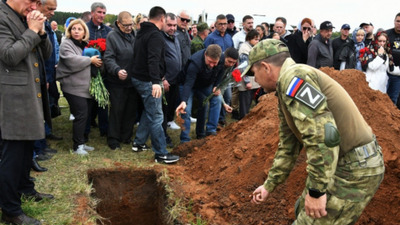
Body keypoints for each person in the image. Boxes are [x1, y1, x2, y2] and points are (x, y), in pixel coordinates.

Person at [245, 39, 384, 224]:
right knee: (301, 208)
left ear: (265, 67)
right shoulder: (287, 85)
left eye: (254, 73)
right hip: (345, 163)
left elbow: (322, 135)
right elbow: (288, 145)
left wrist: (317, 191)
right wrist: (269, 185)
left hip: (355, 170)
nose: (255, 80)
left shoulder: (294, 78)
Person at [0, 0, 55, 224]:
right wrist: (32, 31)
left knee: (25, 150)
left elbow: (47, 54)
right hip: (12, 97)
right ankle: (10, 210)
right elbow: (9, 56)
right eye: (32, 0)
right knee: (12, 155)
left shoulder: (24, 17)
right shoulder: (2, 17)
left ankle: (25, 189)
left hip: (29, 93)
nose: (35, 6)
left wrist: (41, 33)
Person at [131, 6, 179, 164]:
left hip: (139, 78)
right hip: (147, 80)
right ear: (162, 19)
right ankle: (161, 153)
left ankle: (138, 143)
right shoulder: (155, 36)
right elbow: (152, 59)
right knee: (157, 116)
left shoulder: (142, 31)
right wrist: (155, 82)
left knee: (149, 110)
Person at [57, 19, 101, 155]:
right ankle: (77, 147)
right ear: (69, 31)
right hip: (73, 87)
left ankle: (81, 142)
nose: (76, 31)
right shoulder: (66, 44)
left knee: (86, 115)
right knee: (81, 115)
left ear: (84, 32)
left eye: (79, 29)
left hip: (85, 87)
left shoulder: (84, 45)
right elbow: (71, 61)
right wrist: (90, 60)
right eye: (74, 29)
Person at [176, 45, 225, 142]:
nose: (211, 65)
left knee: (216, 99)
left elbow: (221, 72)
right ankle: (185, 140)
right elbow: (188, 83)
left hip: (204, 85)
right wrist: (184, 101)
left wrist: (216, 85)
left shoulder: (222, 58)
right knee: (186, 109)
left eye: (214, 63)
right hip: (187, 85)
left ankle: (209, 131)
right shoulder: (195, 63)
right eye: (210, 61)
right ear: (205, 54)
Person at [103, 11, 137, 150]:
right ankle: (113, 139)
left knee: (130, 110)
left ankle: (126, 136)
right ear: (118, 23)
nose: (129, 28)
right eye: (126, 25)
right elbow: (108, 58)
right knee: (117, 110)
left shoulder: (134, 34)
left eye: (131, 24)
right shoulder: (112, 36)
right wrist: (117, 70)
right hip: (117, 81)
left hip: (132, 80)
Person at [85, 2, 112, 139]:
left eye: (104, 13)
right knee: (88, 102)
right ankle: (87, 127)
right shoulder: (85, 28)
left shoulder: (108, 31)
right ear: (92, 13)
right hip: (87, 70)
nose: (102, 15)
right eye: (99, 12)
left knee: (103, 100)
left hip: (103, 70)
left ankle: (104, 128)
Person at [161, 13, 182, 146]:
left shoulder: (175, 38)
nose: (172, 28)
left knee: (170, 108)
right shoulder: (160, 38)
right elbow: (158, 60)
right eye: (169, 25)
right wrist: (162, 78)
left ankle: (167, 127)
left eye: (174, 25)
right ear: (163, 23)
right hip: (165, 81)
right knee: (162, 110)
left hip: (175, 80)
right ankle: (163, 136)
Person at [238, 29, 261, 119]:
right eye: (256, 39)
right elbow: (244, 67)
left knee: (249, 103)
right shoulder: (245, 49)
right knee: (245, 105)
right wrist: (247, 81)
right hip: (246, 81)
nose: (257, 41)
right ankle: (242, 122)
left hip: (252, 80)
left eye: (258, 39)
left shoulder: (252, 47)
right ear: (249, 39)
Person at [386, 12, 400, 105]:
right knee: (383, 96)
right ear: (394, 22)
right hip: (387, 72)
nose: (399, 23)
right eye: (398, 21)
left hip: (398, 74)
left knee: (394, 98)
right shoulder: (387, 34)